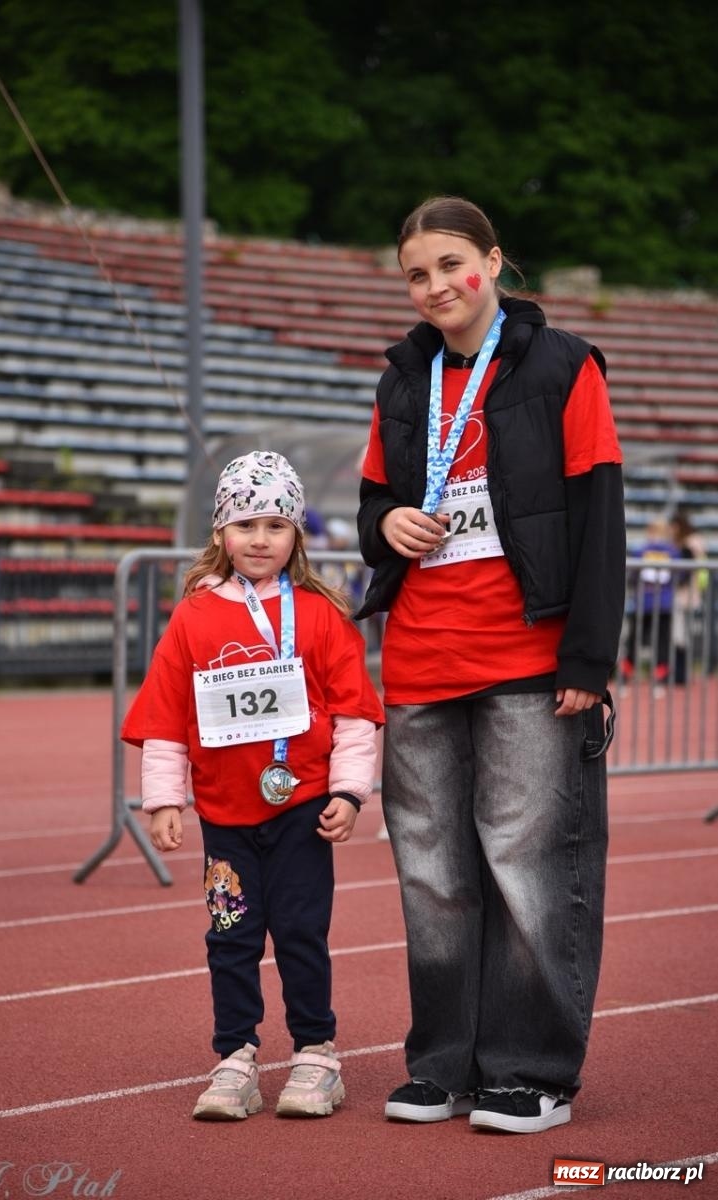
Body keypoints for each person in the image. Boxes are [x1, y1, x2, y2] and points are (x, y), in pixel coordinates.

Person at [355, 196, 625, 1134]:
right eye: (415, 274)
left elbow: (598, 517)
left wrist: (589, 656)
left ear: (494, 262)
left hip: (529, 656)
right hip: (422, 658)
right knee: (432, 874)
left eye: (448, 264)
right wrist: (385, 524)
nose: (433, 286)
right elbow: (374, 503)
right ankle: (441, 1062)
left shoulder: (562, 366)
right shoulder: (399, 380)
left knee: (525, 866)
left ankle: (532, 1070)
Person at [122, 450, 384, 1121]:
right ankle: (234, 1056)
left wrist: (348, 793)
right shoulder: (193, 617)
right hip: (225, 818)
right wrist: (163, 799)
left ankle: (315, 1054)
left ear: (296, 534)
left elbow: (354, 713)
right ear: (220, 534)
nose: (259, 539)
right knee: (230, 937)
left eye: (275, 524)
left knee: (300, 931)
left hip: (299, 809)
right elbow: (166, 717)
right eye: (245, 525)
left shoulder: (321, 615)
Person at [620, 517, 680, 691]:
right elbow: (679, 577)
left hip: (644, 603)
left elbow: (632, 577)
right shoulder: (673, 552)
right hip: (663, 604)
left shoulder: (641, 551)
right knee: (661, 642)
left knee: (634, 641)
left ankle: (625, 679)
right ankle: (659, 682)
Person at [670, 509, 708, 684]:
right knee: (682, 635)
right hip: (694, 594)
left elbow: (685, 572)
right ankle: (682, 673)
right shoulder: (697, 541)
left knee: (680, 636)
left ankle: (680, 675)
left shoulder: (687, 543)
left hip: (685, 595)